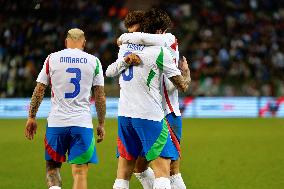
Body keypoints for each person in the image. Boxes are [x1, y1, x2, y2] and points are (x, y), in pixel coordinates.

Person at [106, 8, 191, 189]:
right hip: (146, 113)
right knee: (139, 167)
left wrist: (124, 38)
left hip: (166, 111)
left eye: (136, 31)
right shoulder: (133, 49)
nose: (134, 35)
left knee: (171, 169)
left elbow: (171, 84)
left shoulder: (168, 41)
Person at [24, 28, 106, 189]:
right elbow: (100, 96)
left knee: (52, 168)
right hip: (82, 123)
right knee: (80, 172)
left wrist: (31, 116)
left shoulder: (52, 58)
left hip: (56, 123)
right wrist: (101, 123)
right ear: (84, 42)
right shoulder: (94, 61)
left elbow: (39, 89)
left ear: (66, 42)